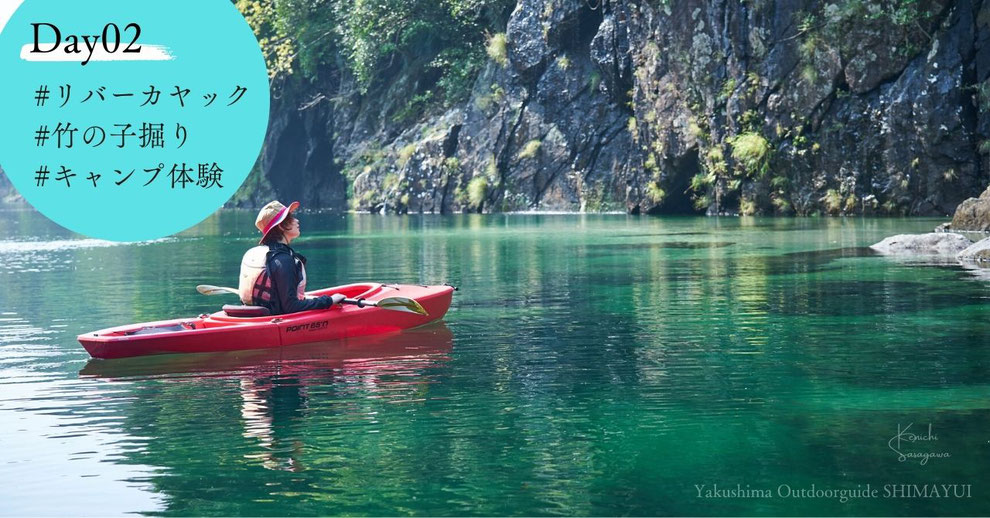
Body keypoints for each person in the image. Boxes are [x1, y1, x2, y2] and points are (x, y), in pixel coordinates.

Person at [238, 200, 339, 315]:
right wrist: (329, 301)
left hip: (254, 316)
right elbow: (291, 307)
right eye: (291, 217)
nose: (297, 220)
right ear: (281, 225)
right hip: (274, 320)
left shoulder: (257, 254)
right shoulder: (283, 261)